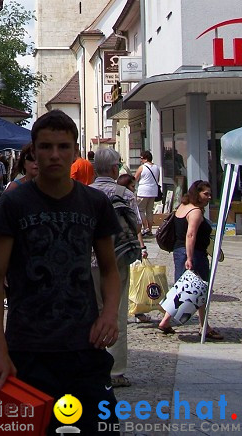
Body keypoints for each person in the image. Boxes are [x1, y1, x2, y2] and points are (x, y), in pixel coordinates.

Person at [0, 110, 122, 434]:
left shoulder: (95, 203)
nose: (54, 155)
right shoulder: (14, 204)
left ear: (75, 150)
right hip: (28, 349)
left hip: (84, 346)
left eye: (63, 146)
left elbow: (110, 269)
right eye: (45, 147)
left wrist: (109, 314)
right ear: (33, 150)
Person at [90, 148, 148, 387]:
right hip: (117, 259)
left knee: (92, 311)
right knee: (117, 311)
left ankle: (92, 365)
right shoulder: (124, 193)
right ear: (115, 168)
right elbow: (136, 225)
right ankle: (116, 370)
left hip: (89, 260)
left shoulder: (85, 193)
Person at [157, 180, 223, 340]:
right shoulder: (195, 212)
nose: (209, 197)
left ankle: (168, 321)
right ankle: (204, 326)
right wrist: (190, 257)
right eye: (205, 194)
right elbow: (191, 234)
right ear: (197, 194)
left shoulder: (182, 207)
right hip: (194, 254)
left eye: (210, 194)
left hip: (179, 252)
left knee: (184, 288)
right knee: (200, 290)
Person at [134, 150, 161, 236]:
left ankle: (145, 228)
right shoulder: (156, 167)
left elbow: (135, 179)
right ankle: (149, 229)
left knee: (141, 210)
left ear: (145, 159)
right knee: (149, 211)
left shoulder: (142, 167)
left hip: (143, 191)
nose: (141, 160)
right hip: (153, 191)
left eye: (141, 158)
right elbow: (158, 179)